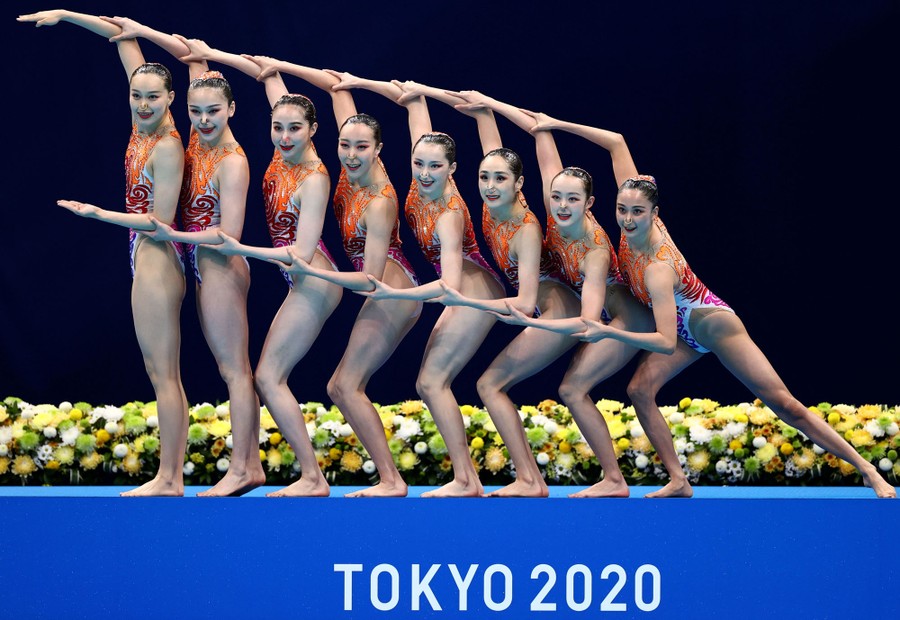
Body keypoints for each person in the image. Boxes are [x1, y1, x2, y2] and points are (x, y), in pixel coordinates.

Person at [574, 175, 897, 499]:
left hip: (714, 326)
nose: (628, 219)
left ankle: (867, 470)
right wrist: (553, 124)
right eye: (621, 210)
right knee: (639, 390)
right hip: (684, 332)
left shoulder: (658, 268)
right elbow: (617, 142)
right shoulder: (630, 229)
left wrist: (610, 332)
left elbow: (665, 342)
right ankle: (678, 481)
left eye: (637, 212)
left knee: (786, 405)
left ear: (654, 213)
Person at [18, 9, 190, 497]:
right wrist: (67, 16)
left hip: (158, 255)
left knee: (163, 373)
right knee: (160, 370)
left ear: (170, 99)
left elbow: (160, 221)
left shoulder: (167, 147)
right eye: (136, 95)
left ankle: (170, 478)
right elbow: (123, 36)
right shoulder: (146, 125)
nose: (141, 103)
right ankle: (169, 475)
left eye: (152, 97)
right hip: (146, 254)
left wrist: (100, 214)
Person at [322, 76, 507, 496]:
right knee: (409, 383)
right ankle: (454, 479)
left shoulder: (448, 213)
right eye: (419, 164)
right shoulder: (403, 169)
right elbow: (414, 100)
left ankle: (456, 479)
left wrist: (394, 295)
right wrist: (353, 81)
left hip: (472, 292)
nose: (424, 173)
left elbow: (448, 288)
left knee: (429, 382)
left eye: (435, 167)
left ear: (452, 169)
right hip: (437, 291)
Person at [247, 56, 422, 497]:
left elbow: (368, 280)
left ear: (378, 149)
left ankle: (373, 480)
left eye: (361, 148)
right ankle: (347, 478)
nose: (350, 154)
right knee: (333, 385)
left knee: (341, 385)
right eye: (346, 146)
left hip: (392, 290)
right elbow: (331, 88)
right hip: (342, 281)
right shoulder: (340, 161)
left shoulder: (379, 200)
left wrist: (298, 265)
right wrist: (266, 63)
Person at [104, 17, 266, 496]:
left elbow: (229, 235)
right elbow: (141, 55)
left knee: (235, 369)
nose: (204, 119)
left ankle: (241, 468)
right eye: (197, 112)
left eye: (213, 111)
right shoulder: (191, 129)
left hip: (217, 262)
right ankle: (224, 468)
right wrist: (97, 21)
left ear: (231, 109)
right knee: (209, 369)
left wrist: (161, 230)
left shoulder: (233, 160)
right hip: (189, 254)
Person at [175, 39, 343, 497]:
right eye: (278, 128)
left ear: (313, 131)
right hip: (297, 283)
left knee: (267, 377)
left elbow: (301, 255)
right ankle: (255, 467)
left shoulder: (315, 177)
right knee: (257, 374)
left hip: (315, 282)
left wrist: (236, 248)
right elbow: (265, 75)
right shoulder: (281, 152)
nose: (284, 137)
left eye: (294, 129)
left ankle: (311, 477)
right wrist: (207, 53)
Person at [486, 111, 655, 497]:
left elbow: (587, 325)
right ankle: (542, 480)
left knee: (573, 388)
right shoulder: (555, 208)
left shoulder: (594, 251)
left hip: (629, 321)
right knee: (563, 387)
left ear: (589, 203)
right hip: (610, 316)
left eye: (572, 200)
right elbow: (541, 134)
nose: (562, 206)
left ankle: (613, 480)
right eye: (557, 197)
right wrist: (491, 105)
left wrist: (533, 322)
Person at [427, 90, 582, 497]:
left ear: (519, 184)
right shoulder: (492, 202)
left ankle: (528, 481)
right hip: (547, 309)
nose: (491, 186)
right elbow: (493, 145)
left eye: (500, 179)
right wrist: (484, 109)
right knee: (486, 384)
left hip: (559, 312)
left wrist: (466, 301)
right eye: (484, 177)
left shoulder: (526, 229)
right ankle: (527, 479)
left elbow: (525, 304)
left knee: (490, 384)